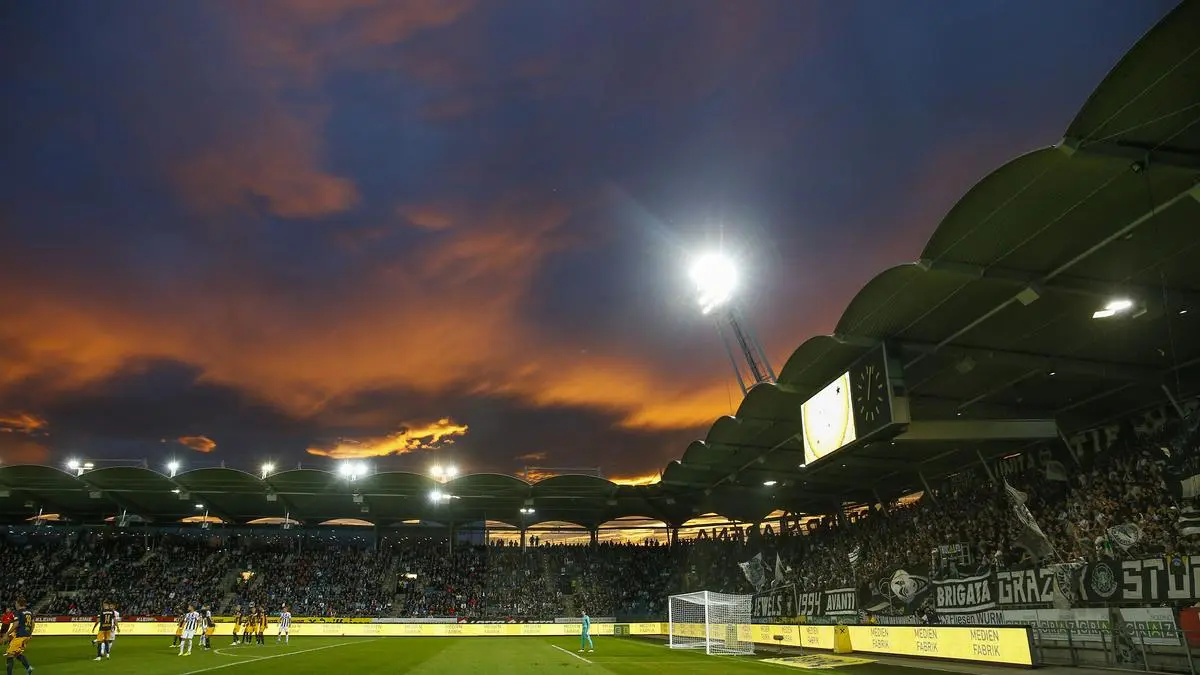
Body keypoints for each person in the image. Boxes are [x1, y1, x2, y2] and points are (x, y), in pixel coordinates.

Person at [3, 597, 34, 675]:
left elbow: (16, 624)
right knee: (17, 653)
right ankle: (28, 667)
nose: (15, 604)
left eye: (16, 603)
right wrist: (30, 633)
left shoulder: (18, 612)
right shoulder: (30, 612)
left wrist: (7, 633)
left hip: (20, 636)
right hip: (26, 635)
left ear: (19, 604)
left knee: (10, 655)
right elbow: (33, 624)